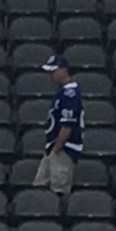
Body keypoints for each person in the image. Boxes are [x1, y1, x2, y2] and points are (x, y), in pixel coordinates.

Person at [33, 53, 84, 200]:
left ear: (63, 70)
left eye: (53, 71)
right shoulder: (62, 92)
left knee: (58, 190)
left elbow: (67, 125)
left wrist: (56, 148)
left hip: (63, 149)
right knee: (39, 187)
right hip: (53, 148)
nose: (50, 75)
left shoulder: (70, 94)